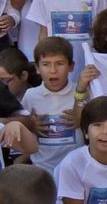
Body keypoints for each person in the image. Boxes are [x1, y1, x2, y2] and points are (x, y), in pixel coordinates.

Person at [24, 37, 81, 172]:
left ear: (71, 66)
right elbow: (23, 127)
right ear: (37, 68)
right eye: (46, 64)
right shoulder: (30, 96)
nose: (53, 70)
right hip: (42, 169)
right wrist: (31, 126)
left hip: (75, 168)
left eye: (59, 63)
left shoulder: (81, 93)